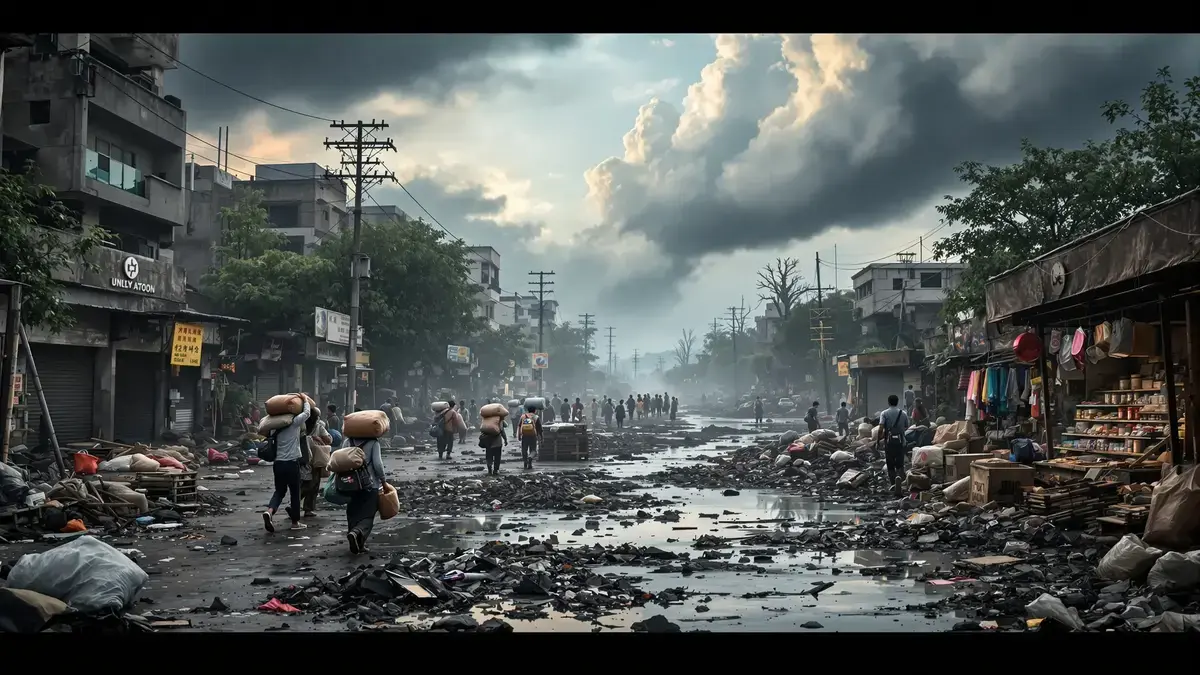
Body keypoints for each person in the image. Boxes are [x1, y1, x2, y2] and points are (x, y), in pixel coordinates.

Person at [263, 397, 311, 533]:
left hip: (278, 464)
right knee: (295, 493)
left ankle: (270, 511)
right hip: (291, 463)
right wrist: (305, 399)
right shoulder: (294, 423)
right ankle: (295, 522)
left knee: (279, 491)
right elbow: (307, 413)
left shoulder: (273, 427)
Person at [341, 428, 386, 555]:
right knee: (368, 513)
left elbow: (341, 461)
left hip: (349, 484)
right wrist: (383, 480)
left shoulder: (347, 442)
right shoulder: (373, 443)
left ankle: (355, 539)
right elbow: (377, 464)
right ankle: (357, 533)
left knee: (353, 511)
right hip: (369, 484)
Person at [300, 407, 332, 518]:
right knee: (311, 484)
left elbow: (329, 439)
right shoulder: (315, 426)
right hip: (311, 459)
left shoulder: (304, 426)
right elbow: (329, 439)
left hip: (305, 458)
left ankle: (300, 506)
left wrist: (316, 438)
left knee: (306, 483)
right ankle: (305, 508)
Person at [879, 394, 911, 492]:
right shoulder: (903, 413)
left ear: (888, 402)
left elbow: (880, 428)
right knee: (900, 463)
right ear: (897, 402)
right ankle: (900, 482)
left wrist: (878, 440)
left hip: (889, 442)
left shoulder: (884, 413)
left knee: (890, 463)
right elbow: (907, 426)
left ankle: (893, 484)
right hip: (901, 442)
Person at [516, 403, 542, 470]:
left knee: (524, 449)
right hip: (533, 435)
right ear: (534, 411)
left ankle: (525, 462)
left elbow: (519, 426)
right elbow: (540, 429)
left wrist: (519, 435)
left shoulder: (523, 416)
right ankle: (530, 459)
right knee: (533, 450)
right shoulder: (536, 417)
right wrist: (541, 437)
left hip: (524, 435)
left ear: (528, 410)